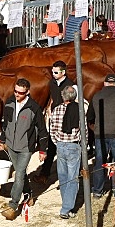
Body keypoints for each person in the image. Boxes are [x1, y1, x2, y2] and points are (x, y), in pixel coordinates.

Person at [0, 78, 48, 212]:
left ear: (27, 92)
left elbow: (42, 130)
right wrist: (2, 140)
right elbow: (6, 124)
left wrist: (43, 150)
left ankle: (13, 205)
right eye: (15, 91)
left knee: (18, 174)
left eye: (20, 93)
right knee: (21, 173)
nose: (17, 94)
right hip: (11, 146)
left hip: (26, 148)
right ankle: (29, 194)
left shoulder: (34, 108)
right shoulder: (9, 103)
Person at [87, 74, 115, 202]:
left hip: (99, 135)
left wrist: (95, 129)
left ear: (105, 84)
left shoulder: (96, 96)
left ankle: (97, 191)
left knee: (100, 163)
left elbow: (89, 116)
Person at [49, 85, 83, 219]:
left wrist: (56, 142)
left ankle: (66, 204)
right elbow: (83, 130)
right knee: (73, 178)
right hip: (73, 145)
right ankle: (66, 208)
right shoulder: (79, 110)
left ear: (63, 96)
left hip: (60, 145)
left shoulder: (56, 110)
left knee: (63, 177)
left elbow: (51, 129)